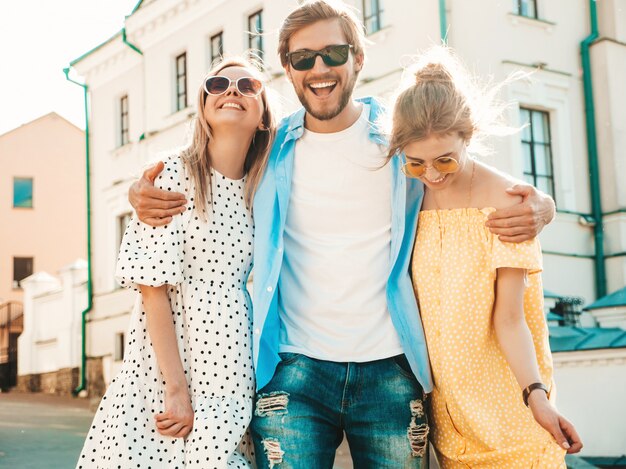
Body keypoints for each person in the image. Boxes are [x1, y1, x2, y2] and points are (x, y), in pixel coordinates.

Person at [129, 1, 557, 467]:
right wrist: (143, 190)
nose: (319, 68)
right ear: (288, 69)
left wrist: (541, 202)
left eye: (333, 54)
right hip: (294, 373)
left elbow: (460, 171)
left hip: (391, 372)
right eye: (303, 58)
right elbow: (210, 160)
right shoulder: (268, 151)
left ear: (358, 58)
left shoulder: (399, 145)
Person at [387, 46, 583, 467]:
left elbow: (510, 319)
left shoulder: (508, 202)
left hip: (510, 412)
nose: (433, 174)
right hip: (446, 418)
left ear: (468, 136)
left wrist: (537, 397)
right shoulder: (406, 198)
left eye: (445, 160)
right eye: (416, 163)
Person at [77, 56, 275, 468]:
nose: (232, 91)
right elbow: (152, 288)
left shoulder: (266, 183)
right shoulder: (172, 174)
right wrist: (176, 389)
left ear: (262, 116)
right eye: (218, 84)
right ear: (203, 107)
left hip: (233, 358)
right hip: (168, 359)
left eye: (247, 85)